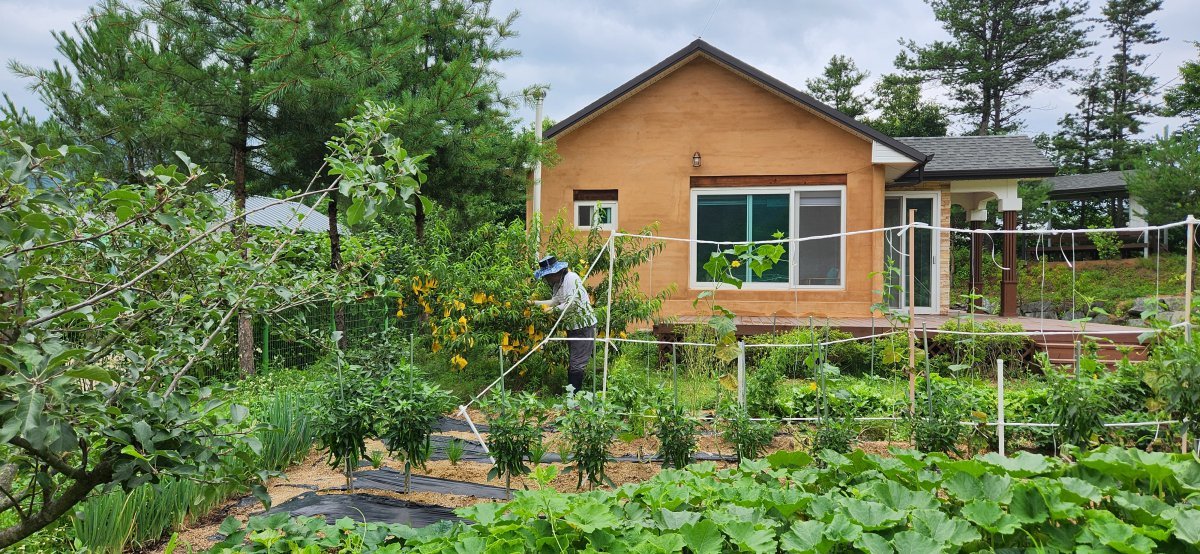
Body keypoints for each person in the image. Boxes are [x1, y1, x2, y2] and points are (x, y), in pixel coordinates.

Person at [532, 255, 597, 394]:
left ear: (555, 272)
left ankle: (574, 399)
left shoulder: (571, 278)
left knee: (577, 364)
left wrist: (552, 311)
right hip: (572, 326)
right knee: (574, 362)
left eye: (548, 276)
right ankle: (572, 397)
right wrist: (535, 304)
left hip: (583, 326)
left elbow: (572, 303)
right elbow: (555, 300)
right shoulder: (558, 283)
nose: (547, 279)